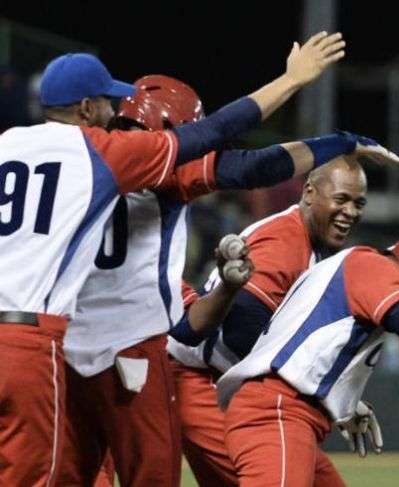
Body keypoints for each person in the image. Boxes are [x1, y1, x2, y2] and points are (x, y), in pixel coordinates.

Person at [0, 32, 344, 487]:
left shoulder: (10, 142)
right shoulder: (115, 156)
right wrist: (332, 135)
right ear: (86, 107)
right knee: (151, 477)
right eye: (106, 101)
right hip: (120, 346)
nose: (113, 109)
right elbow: (242, 158)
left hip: (63, 346)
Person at [58, 69, 398, 485]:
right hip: (176, 371)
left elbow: (189, 324)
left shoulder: (71, 172)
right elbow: (253, 166)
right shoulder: (175, 179)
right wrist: (323, 385)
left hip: (73, 342)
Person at [216, 231, 399, 486]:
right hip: (277, 412)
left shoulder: (358, 268)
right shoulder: (371, 264)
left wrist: (342, 399)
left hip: (284, 411)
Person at [168, 156, 369, 486]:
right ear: (308, 193)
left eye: (358, 203)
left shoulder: (311, 242)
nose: (350, 211)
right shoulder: (286, 244)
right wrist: (328, 390)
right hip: (205, 383)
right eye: (341, 199)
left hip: (232, 386)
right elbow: (240, 331)